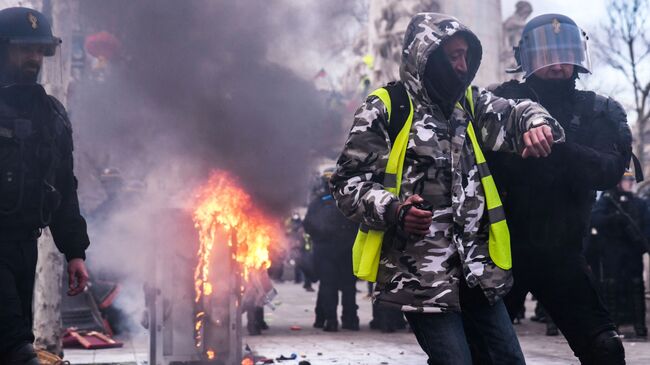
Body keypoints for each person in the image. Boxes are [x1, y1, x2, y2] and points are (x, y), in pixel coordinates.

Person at [330, 12, 564, 364]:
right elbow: (348, 183)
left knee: (509, 360)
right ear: (426, 56)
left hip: (477, 273)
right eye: (453, 56)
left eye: (466, 57)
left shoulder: (468, 103)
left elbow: (515, 113)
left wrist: (537, 123)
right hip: (421, 276)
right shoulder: (386, 107)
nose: (462, 66)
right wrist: (395, 210)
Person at [488, 14, 633, 365]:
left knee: (605, 349)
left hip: (562, 252)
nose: (556, 64)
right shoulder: (501, 103)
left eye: (564, 53)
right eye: (546, 55)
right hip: (500, 252)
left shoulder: (599, 110)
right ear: (527, 59)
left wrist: (555, 144)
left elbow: (609, 170)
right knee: (483, 353)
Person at [0, 7, 90, 365]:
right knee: (17, 349)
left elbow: (63, 188)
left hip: (26, 246)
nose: (33, 57)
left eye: (39, 50)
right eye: (24, 49)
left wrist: (75, 252)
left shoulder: (52, 113)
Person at [587, 172, 648, 338]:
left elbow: (645, 226)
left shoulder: (639, 203)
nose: (629, 183)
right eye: (626, 179)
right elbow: (596, 219)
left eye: (631, 180)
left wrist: (643, 245)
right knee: (611, 287)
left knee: (636, 287)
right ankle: (613, 325)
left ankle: (640, 326)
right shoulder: (608, 201)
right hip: (613, 251)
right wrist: (614, 218)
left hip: (633, 252)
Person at [303, 169, 359, 332]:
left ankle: (331, 320)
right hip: (347, 250)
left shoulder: (318, 202)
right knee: (349, 287)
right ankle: (350, 320)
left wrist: (319, 238)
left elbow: (307, 225)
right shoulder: (348, 200)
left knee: (328, 286)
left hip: (325, 252)